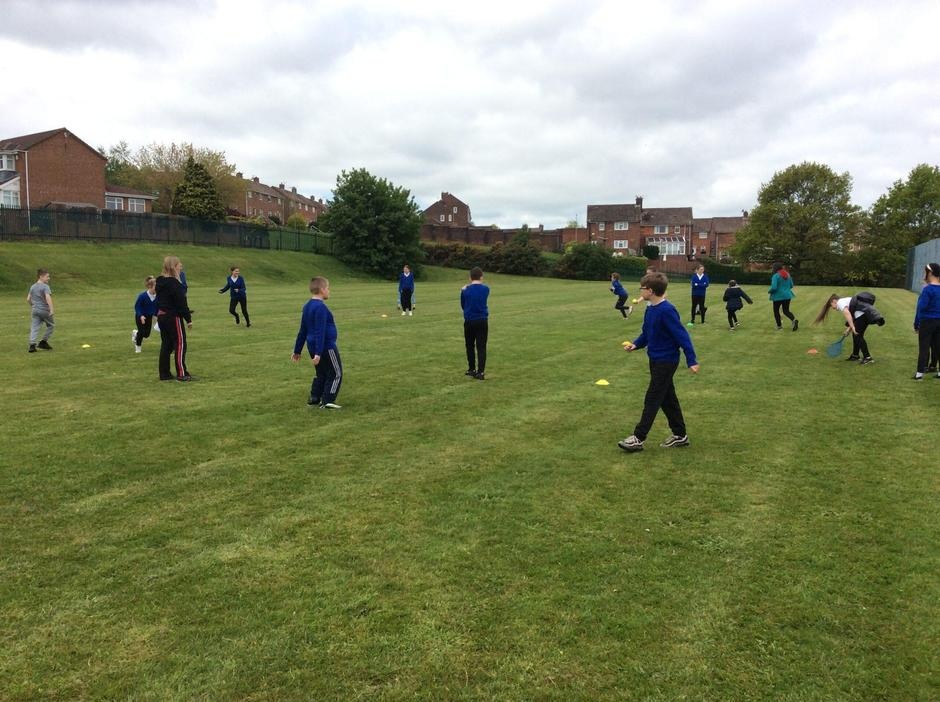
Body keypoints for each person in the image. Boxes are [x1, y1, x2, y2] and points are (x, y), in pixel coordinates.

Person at [619, 272, 700, 452]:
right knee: (667, 398)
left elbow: (682, 336)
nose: (640, 291)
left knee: (653, 397)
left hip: (667, 361)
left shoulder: (667, 310)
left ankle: (638, 438)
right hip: (655, 359)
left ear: (651, 290)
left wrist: (691, 360)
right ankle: (680, 435)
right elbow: (647, 333)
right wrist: (635, 344)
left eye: (642, 288)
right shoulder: (651, 309)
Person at [292, 276, 342, 409]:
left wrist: (297, 350)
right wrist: (319, 353)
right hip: (326, 346)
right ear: (322, 290)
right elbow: (320, 331)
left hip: (313, 346)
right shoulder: (320, 308)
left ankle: (315, 397)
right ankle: (328, 400)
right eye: (328, 288)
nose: (329, 291)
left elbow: (302, 330)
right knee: (336, 373)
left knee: (322, 373)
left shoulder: (307, 306)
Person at [813, 292, 885, 365]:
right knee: (856, 335)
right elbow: (853, 317)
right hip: (862, 316)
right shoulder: (844, 301)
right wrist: (848, 330)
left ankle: (868, 358)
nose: (833, 308)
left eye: (831, 306)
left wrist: (853, 327)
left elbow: (847, 314)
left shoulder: (840, 302)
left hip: (862, 316)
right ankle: (855, 355)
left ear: (834, 301)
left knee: (858, 336)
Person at [156, 255, 194, 381]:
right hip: (173, 317)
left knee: (166, 344)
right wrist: (188, 319)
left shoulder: (160, 281)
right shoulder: (174, 283)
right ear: (174, 267)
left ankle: (164, 374)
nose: (181, 266)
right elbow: (181, 302)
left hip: (162, 316)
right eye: (179, 265)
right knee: (180, 343)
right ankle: (182, 373)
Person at [461, 267, 489, 380]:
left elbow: (463, 305)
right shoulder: (486, 289)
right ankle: (480, 372)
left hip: (469, 320)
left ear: (470, 278)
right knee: (481, 346)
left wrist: (464, 290)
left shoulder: (465, 290)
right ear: (481, 277)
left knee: (469, 345)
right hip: (482, 320)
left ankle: (471, 369)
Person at [913, 262, 940, 380]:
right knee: (938, 347)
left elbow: (921, 307)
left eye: (926, 272)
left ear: (930, 273)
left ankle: (919, 374)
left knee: (924, 347)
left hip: (927, 321)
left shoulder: (928, 289)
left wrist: (916, 323)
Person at [27, 268, 54, 352]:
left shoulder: (33, 286)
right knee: (51, 325)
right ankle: (43, 342)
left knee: (34, 327)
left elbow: (28, 299)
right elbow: (48, 298)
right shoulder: (45, 286)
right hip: (44, 310)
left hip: (35, 310)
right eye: (47, 276)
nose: (49, 278)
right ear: (41, 276)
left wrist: (33, 306)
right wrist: (51, 309)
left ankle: (32, 345)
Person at [769, 262, 798, 331]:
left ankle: (779, 326)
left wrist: (770, 291)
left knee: (776, 311)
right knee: (786, 311)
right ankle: (794, 320)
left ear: (775, 268)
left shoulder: (775, 276)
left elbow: (774, 287)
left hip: (777, 296)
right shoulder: (787, 274)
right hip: (787, 296)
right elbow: (791, 285)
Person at [133, 276, 158, 353]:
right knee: (141, 332)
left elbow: (157, 308)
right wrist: (141, 316)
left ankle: (135, 333)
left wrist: (158, 316)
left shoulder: (158, 297)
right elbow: (137, 307)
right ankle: (138, 347)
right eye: (155, 286)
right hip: (140, 316)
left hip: (149, 317)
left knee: (146, 334)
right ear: (150, 286)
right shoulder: (142, 296)